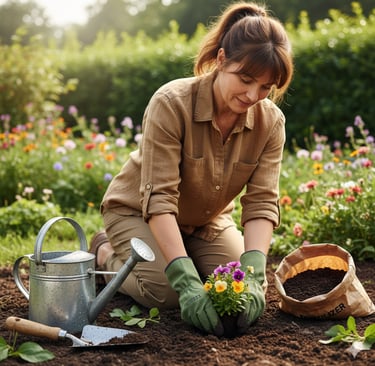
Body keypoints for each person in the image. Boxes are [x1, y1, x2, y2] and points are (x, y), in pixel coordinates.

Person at [90, 1, 294, 336]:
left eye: (265, 87)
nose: (253, 95)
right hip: (137, 212)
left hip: (206, 220)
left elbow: (261, 202)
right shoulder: (171, 104)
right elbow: (159, 200)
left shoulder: (270, 122)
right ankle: (104, 254)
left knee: (233, 288)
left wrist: (254, 273)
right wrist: (185, 279)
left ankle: (181, 256)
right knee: (167, 294)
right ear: (222, 58)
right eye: (245, 79)